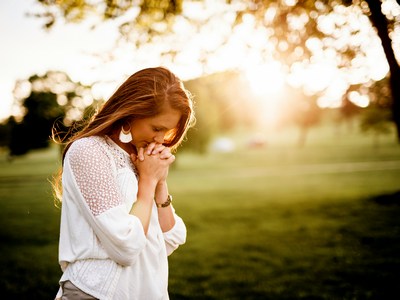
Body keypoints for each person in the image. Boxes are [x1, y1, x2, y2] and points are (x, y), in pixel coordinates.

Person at [53, 66, 195, 300]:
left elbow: (171, 237)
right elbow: (127, 245)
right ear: (130, 114)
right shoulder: (89, 152)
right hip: (95, 293)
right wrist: (148, 182)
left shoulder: (140, 157)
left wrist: (159, 182)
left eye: (167, 131)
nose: (160, 140)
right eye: (156, 128)